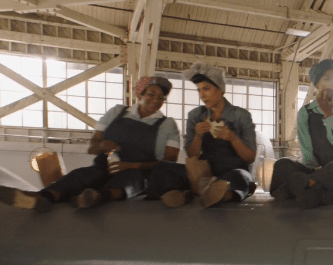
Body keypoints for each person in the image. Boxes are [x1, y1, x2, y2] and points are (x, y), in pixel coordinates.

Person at [0, 76, 179, 211]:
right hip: (104, 166)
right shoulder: (117, 112)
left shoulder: (167, 124)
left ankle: (96, 197)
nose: (156, 100)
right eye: (151, 94)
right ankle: (43, 198)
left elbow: (169, 163)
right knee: (81, 175)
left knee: (131, 182)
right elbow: (93, 146)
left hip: (139, 172)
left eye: (161, 98)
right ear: (140, 93)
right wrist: (102, 146)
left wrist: (131, 165)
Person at [147, 63, 256, 209]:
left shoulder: (241, 116)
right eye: (199, 90)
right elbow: (192, 156)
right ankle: (192, 193)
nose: (202, 95)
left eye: (206, 88)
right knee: (163, 168)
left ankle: (218, 193)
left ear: (221, 89)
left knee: (240, 177)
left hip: (232, 170)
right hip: (202, 173)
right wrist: (198, 136)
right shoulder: (195, 115)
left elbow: (250, 158)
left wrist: (233, 138)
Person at [269, 58, 333, 208]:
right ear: (316, 84)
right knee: (283, 164)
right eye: (327, 78)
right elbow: (307, 153)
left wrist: (328, 116)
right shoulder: (306, 113)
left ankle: (305, 186)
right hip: (317, 171)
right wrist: (314, 171)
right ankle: (317, 191)